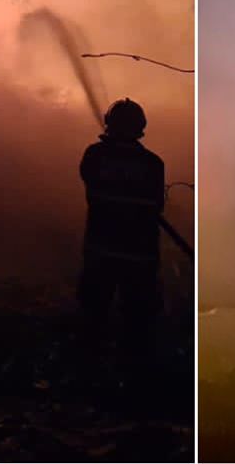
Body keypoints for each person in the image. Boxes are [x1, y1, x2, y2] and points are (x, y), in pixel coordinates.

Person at [78, 98, 165, 363]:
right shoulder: (153, 163)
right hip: (141, 255)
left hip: (101, 250)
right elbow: (156, 206)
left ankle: (91, 368)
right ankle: (134, 375)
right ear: (141, 127)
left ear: (109, 124)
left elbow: (89, 179)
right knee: (137, 321)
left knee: (94, 315)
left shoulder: (95, 155)